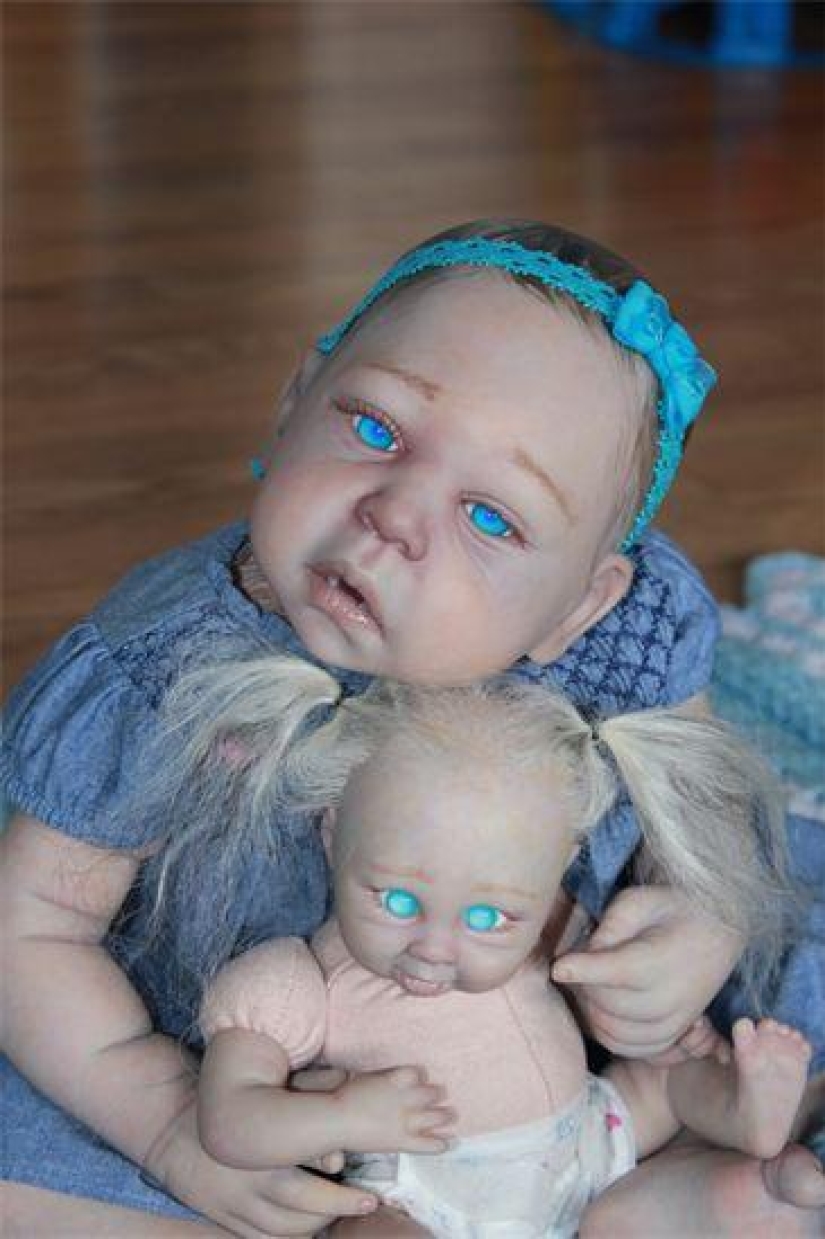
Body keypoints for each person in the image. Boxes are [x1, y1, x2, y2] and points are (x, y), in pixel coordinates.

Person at [1, 219, 822, 1236]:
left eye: (492, 517)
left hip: (562, 1027)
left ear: (581, 602)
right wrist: (167, 1126)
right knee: (36, 1152)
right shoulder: (158, 668)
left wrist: (697, 918)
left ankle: (684, 1167)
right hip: (247, 1070)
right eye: (377, 430)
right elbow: (35, 926)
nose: (396, 514)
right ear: (296, 400)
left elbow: (701, 790)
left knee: (777, 971)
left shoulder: (622, 630)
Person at [188, 656, 807, 1238]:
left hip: (588, 1141)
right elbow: (229, 1123)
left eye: (486, 917)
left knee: (665, 1086)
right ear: (332, 832)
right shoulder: (294, 981)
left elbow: (618, 1012)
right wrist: (344, 1116)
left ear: (557, 868)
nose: (435, 949)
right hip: (415, 1198)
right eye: (397, 902)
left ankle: (748, 1145)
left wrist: (643, 1020)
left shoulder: (551, 925)